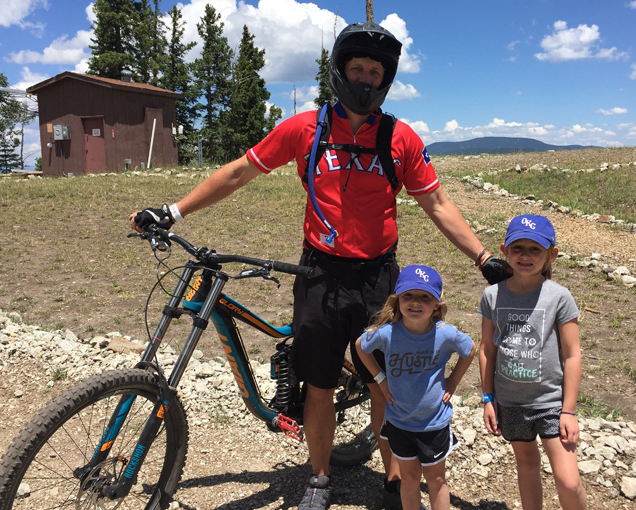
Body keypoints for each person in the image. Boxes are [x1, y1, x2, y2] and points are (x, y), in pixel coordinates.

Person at [131, 21, 508, 510]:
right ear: (339, 70)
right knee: (319, 383)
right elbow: (240, 171)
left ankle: (395, 477)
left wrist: (482, 257)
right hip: (320, 275)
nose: (367, 79)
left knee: (384, 382)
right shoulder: (306, 129)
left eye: (377, 72)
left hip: (377, 277)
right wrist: (174, 210)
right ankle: (320, 477)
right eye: (358, 68)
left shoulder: (400, 138)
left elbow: (436, 203)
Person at [478, 214, 587, 510]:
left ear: (552, 253)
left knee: (568, 480)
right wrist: (488, 398)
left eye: (535, 250)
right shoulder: (491, 296)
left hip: (551, 403)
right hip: (510, 402)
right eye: (518, 249)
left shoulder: (559, 297)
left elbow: (572, 354)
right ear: (504, 250)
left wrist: (569, 410)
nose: (525, 257)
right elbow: (487, 349)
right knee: (526, 466)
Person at [355, 264, 476, 510]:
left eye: (424, 297)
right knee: (409, 479)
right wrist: (381, 379)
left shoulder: (445, 334)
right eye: (408, 296)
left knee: (436, 480)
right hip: (399, 422)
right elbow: (360, 345)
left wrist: (452, 381)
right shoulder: (387, 333)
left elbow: (470, 349)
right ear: (397, 300)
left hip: (434, 423)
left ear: (436, 306)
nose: (415, 303)